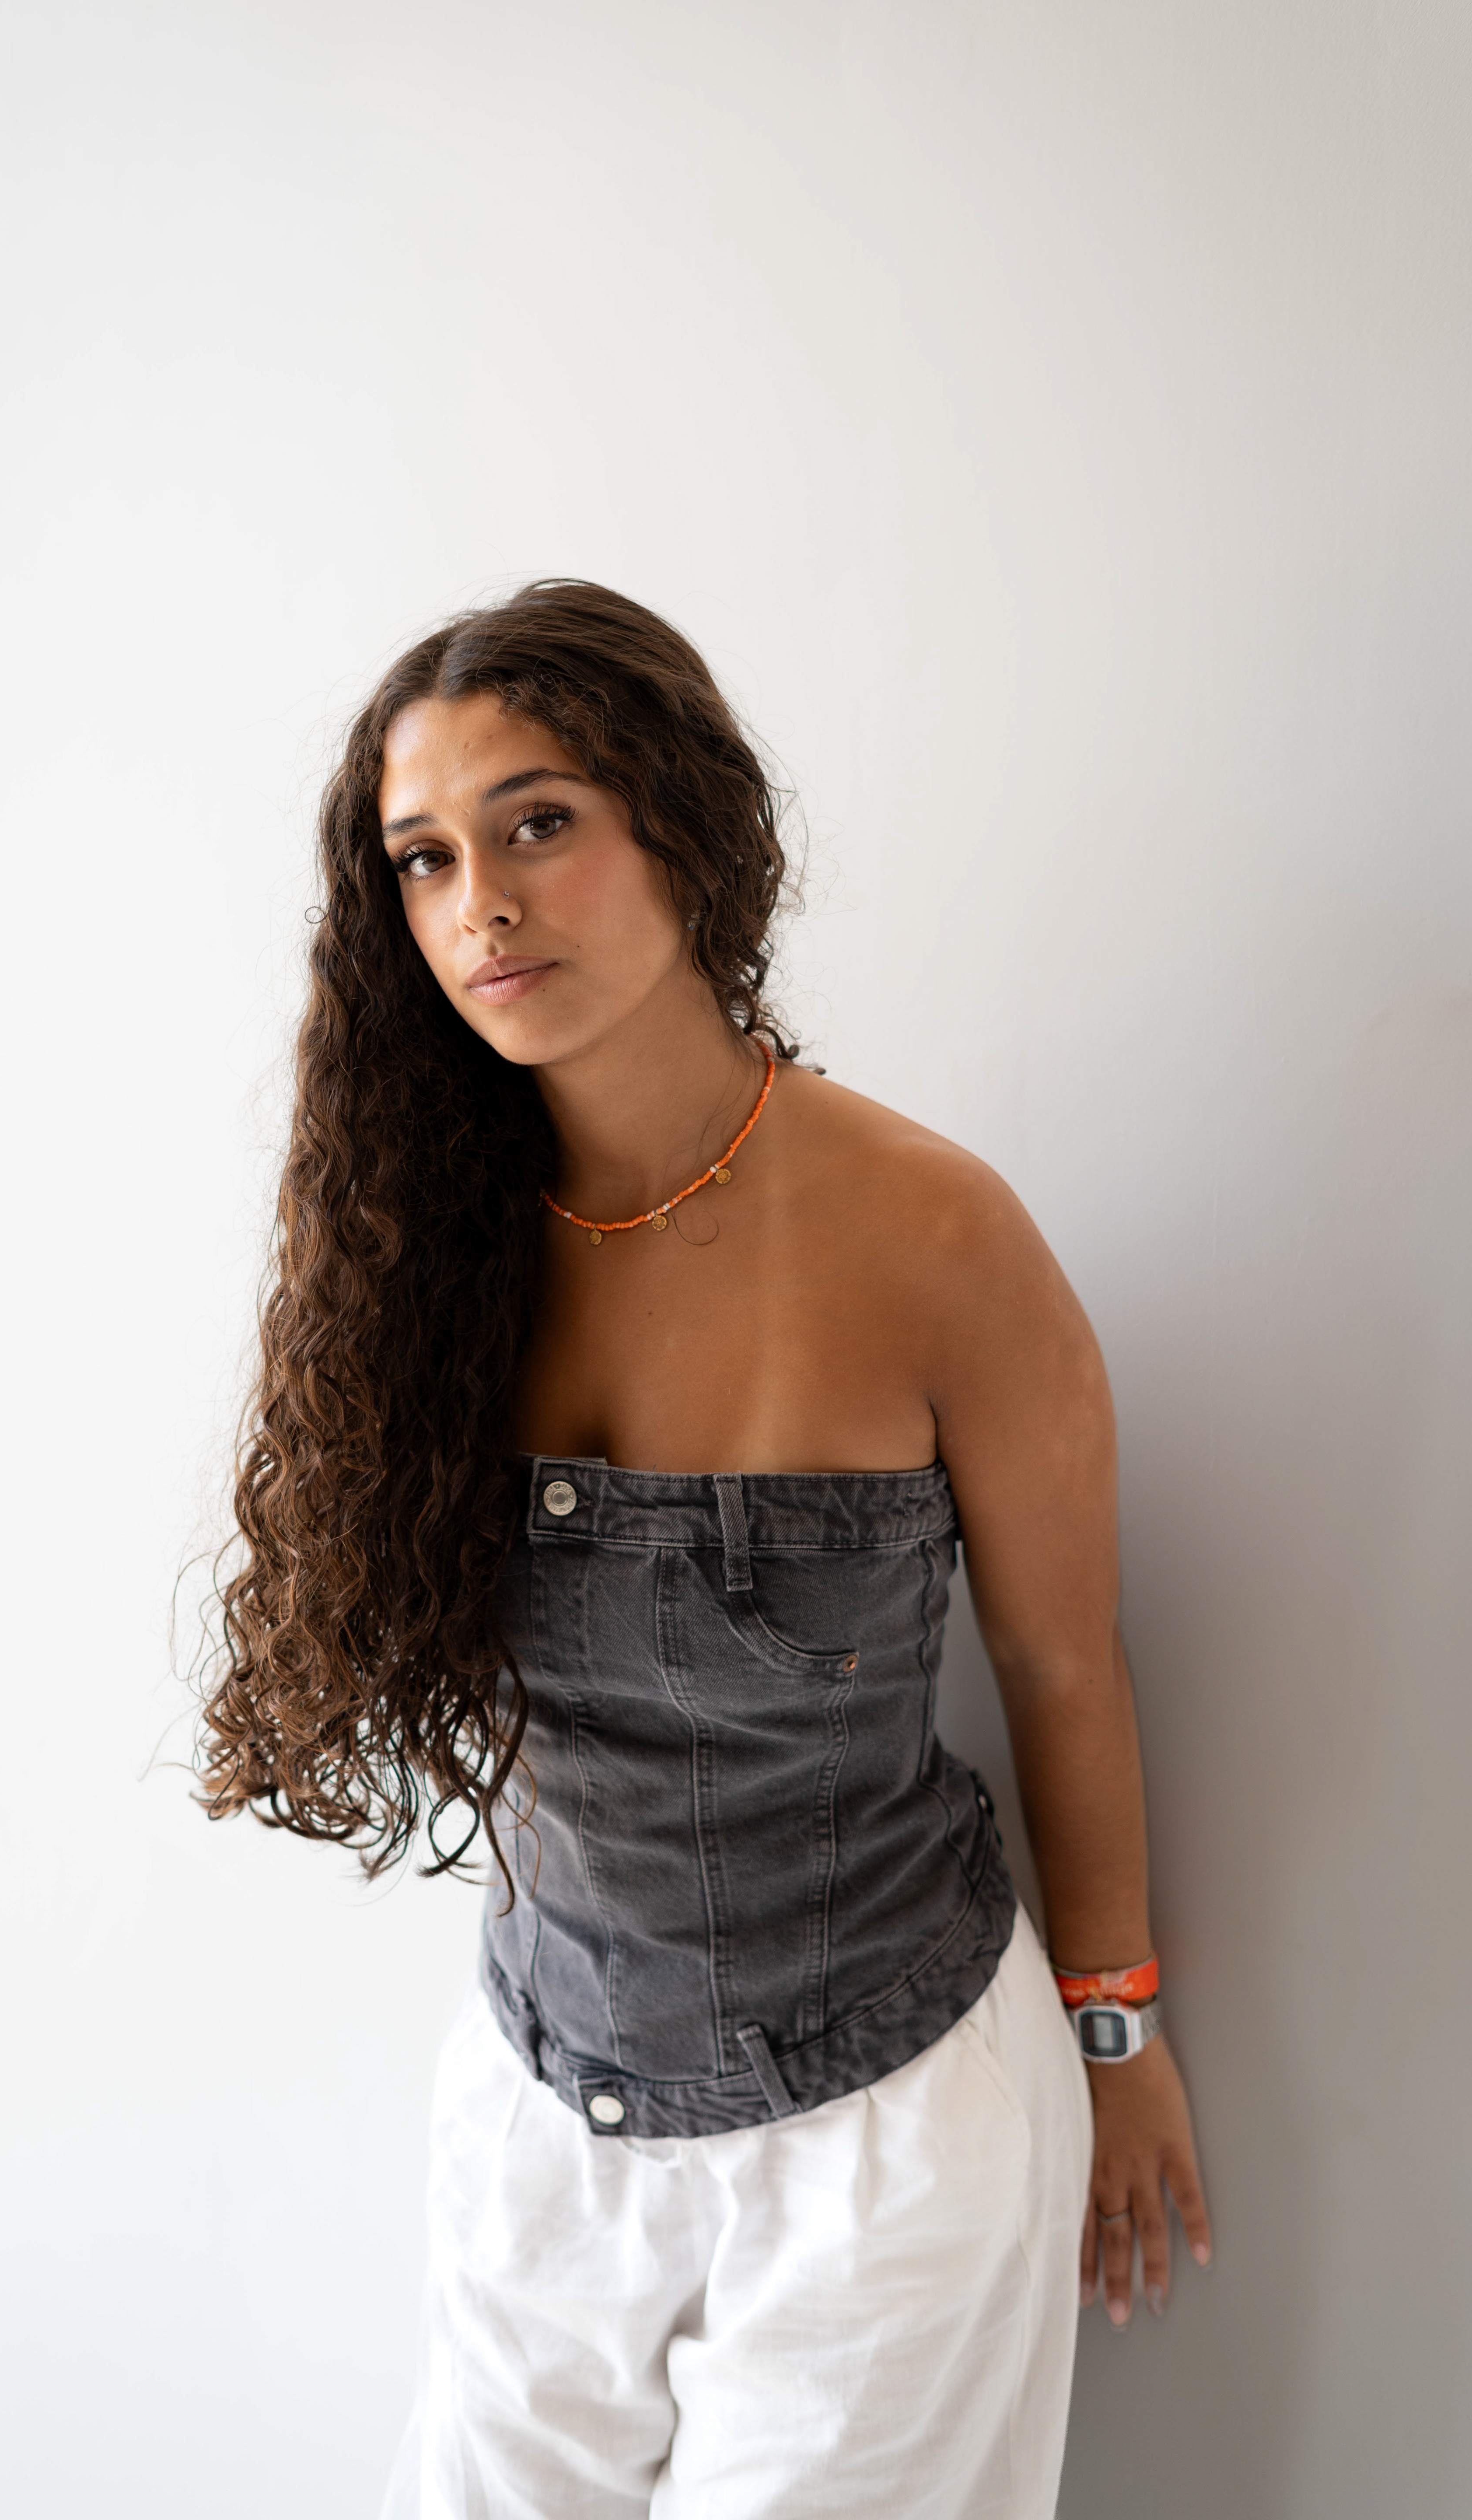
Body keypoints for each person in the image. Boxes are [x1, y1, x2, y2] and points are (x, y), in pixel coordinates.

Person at [200, 579, 1211, 2519]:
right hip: (539, 2119)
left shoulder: (935, 1232)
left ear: (684, 824)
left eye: (538, 822)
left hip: (885, 2133)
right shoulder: (411, 1251)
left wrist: (1119, 2033)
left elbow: (1063, 1662)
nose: (481, 905)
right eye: (426, 858)